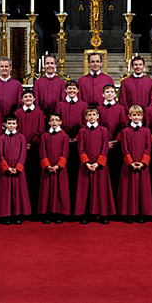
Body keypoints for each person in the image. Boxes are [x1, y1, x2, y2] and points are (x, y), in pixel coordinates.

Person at [75, 107, 116, 224]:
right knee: (85, 190)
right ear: (86, 117)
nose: (92, 117)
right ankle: (86, 214)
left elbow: (104, 148)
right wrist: (87, 162)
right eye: (89, 115)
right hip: (85, 165)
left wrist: (98, 163)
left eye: (94, 114)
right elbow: (81, 149)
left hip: (100, 165)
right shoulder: (82, 132)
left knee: (101, 189)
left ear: (98, 116)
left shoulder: (104, 130)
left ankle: (103, 214)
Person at [55, 80, 88, 211]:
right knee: (65, 175)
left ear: (78, 90)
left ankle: (77, 206)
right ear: (65, 90)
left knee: (77, 175)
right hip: (63, 143)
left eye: (74, 88)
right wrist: (65, 137)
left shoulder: (84, 105)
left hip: (79, 143)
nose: (72, 90)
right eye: (69, 88)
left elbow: (86, 123)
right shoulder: (60, 105)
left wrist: (77, 138)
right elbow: (56, 122)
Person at [118, 105, 152, 223]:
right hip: (129, 165)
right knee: (128, 189)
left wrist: (143, 162)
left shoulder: (147, 131)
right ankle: (129, 213)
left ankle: (141, 213)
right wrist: (130, 162)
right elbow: (124, 148)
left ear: (142, 116)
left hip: (143, 166)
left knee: (143, 190)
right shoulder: (125, 131)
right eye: (134, 115)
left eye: (138, 115)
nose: (136, 117)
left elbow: (148, 148)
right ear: (130, 117)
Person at [0, 115, 31, 225]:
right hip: (5, 170)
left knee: (18, 191)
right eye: (9, 123)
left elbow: (23, 153)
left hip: (18, 170)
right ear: (4, 125)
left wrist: (18, 167)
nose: (11, 125)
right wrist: (6, 168)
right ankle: (6, 215)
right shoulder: (1, 138)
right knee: (5, 192)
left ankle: (17, 215)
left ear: (17, 124)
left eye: (13, 123)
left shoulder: (21, 137)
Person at [14, 89, 45, 212]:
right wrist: (22, 143)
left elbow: (41, 130)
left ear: (34, 99)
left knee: (34, 177)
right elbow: (15, 129)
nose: (27, 98)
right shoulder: (17, 113)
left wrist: (31, 143)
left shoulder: (39, 113)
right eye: (25, 96)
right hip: (20, 150)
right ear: (22, 100)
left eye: (30, 97)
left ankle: (34, 207)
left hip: (34, 149)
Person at [38, 112, 70, 224]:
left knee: (60, 190)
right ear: (49, 122)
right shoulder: (44, 136)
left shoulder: (64, 136)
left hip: (59, 167)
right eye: (52, 120)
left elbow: (65, 152)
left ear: (60, 122)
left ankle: (58, 214)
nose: (54, 122)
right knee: (46, 190)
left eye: (57, 120)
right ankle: (47, 214)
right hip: (47, 167)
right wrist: (47, 165)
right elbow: (42, 151)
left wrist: (59, 165)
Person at [97, 84, 127, 196]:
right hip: (102, 146)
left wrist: (116, 140)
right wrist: (105, 142)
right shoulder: (99, 109)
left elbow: (124, 126)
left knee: (116, 172)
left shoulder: (120, 109)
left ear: (115, 94)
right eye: (107, 92)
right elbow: (97, 126)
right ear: (103, 94)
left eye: (111, 92)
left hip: (116, 145)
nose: (109, 94)